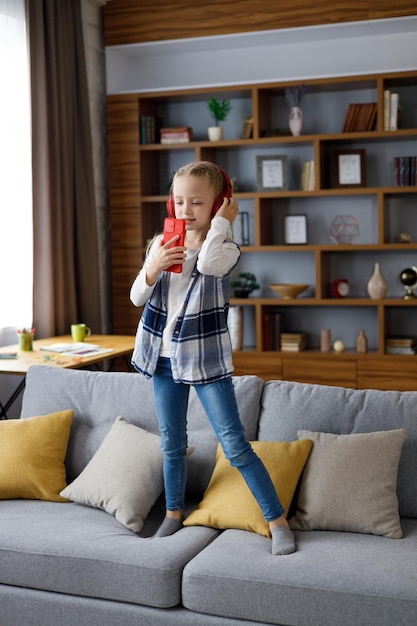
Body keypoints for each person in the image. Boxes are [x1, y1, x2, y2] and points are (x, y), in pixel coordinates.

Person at [130, 161, 295, 555]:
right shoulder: (160, 245)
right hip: (164, 358)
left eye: (197, 203)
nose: (185, 210)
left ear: (219, 203)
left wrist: (220, 223)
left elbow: (205, 265)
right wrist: (153, 265)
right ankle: (173, 514)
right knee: (172, 442)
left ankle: (277, 520)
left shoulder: (226, 248)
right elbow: (138, 296)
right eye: (180, 200)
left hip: (204, 360)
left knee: (235, 445)